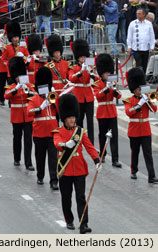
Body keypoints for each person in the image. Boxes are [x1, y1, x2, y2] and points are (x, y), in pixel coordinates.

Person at [52, 94, 100, 234]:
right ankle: (69, 220)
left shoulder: (80, 132)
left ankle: (83, 223)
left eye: (74, 117)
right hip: (65, 170)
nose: (73, 119)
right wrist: (65, 144)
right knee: (66, 197)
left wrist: (97, 161)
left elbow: (90, 147)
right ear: (64, 118)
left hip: (79, 169)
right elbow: (57, 143)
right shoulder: (58, 132)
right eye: (70, 117)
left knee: (81, 197)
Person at [123, 67, 158, 184]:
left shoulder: (148, 96)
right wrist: (140, 103)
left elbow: (155, 109)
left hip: (146, 129)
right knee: (135, 152)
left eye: (140, 88)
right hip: (134, 130)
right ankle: (134, 170)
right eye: (138, 88)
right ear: (133, 89)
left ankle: (152, 176)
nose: (139, 90)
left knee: (148, 154)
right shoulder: (128, 100)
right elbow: (129, 112)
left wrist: (148, 100)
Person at [27, 67, 59, 189]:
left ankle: (54, 180)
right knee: (40, 157)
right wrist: (41, 107)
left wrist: (53, 100)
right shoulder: (34, 99)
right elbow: (29, 112)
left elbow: (60, 111)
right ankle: (40, 176)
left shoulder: (53, 97)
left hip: (52, 133)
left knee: (53, 159)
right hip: (39, 133)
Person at [4, 57, 36, 170]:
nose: (19, 79)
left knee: (28, 140)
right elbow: (6, 95)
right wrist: (16, 88)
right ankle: (17, 158)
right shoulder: (12, 87)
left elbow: (35, 96)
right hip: (16, 117)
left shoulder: (29, 86)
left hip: (27, 117)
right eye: (17, 77)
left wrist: (28, 91)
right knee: (17, 139)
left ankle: (29, 163)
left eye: (21, 76)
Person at [93, 53, 122, 167]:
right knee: (102, 135)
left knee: (114, 135)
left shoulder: (113, 83)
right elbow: (98, 96)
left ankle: (115, 159)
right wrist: (106, 87)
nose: (108, 75)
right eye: (106, 73)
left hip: (111, 111)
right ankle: (103, 155)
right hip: (102, 112)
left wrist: (114, 89)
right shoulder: (97, 84)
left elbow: (119, 96)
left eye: (109, 73)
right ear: (101, 73)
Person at [68, 39, 95, 144]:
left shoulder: (90, 67)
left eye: (84, 57)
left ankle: (91, 144)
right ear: (78, 58)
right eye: (81, 57)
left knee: (90, 122)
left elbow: (96, 79)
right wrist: (81, 71)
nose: (83, 59)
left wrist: (91, 72)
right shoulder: (73, 68)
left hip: (89, 96)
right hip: (78, 96)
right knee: (79, 122)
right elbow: (71, 78)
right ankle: (78, 142)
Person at [127, 7, 155, 73]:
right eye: (137, 13)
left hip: (145, 48)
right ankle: (139, 79)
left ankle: (143, 78)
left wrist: (152, 46)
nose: (137, 15)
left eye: (139, 14)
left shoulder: (149, 24)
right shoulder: (132, 23)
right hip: (136, 49)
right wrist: (129, 47)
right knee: (139, 65)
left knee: (144, 65)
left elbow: (151, 36)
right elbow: (129, 36)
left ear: (144, 14)